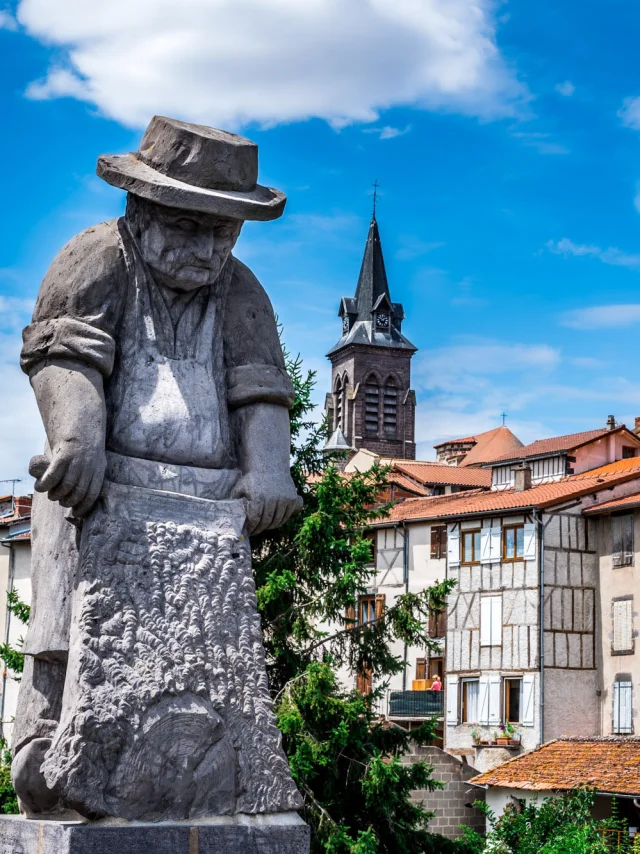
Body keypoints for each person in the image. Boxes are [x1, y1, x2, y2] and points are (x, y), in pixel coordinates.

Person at [12, 116, 302, 815]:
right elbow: (64, 359)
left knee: (209, 670)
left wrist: (269, 470)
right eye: (188, 225)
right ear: (141, 210)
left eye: (221, 231)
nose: (205, 248)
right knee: (65, 630)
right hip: (99, 490)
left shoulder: (243, 293)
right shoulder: (93, 259)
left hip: (207, 509)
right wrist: (78, 441)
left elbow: (260, 391)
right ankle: (45, 739)